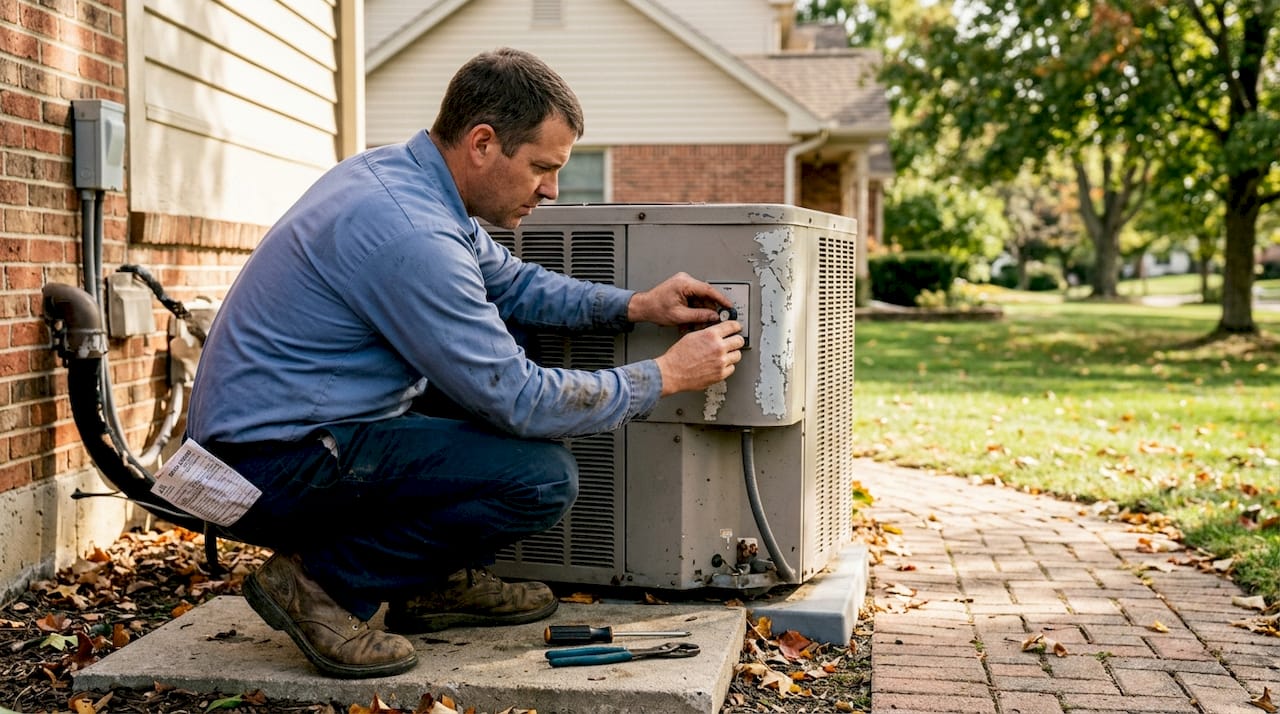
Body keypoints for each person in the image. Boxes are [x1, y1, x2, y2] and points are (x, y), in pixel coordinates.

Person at [184, 47, 744, 679]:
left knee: (493, 369)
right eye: (541, 167)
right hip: (264, 465)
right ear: (482, 143)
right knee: (539, 478)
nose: (552, 190)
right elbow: (521, 400)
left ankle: (426, 583)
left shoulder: (406, 180)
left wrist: (636, 305)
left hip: (285, 438)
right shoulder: (411, 230)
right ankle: (321, 587)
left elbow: (513, 285)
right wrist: (665, 376)